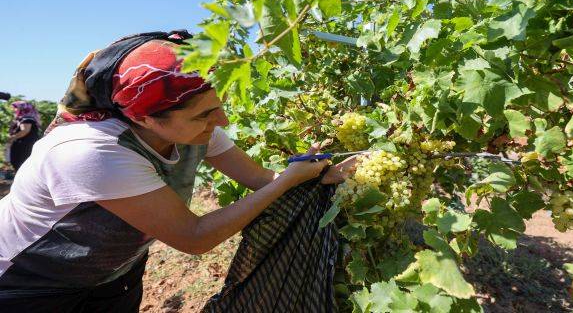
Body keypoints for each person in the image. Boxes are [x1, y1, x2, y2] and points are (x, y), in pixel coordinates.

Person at [0, 31, 357, 313]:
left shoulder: (198, 131)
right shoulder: (92, 152)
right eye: (204, 114)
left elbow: (260, 179)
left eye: (218, 107)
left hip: (111, 274)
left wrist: (316, 175)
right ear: (143, 118)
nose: (222, 122)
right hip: (27, 284)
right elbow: (194, 236)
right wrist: (289, 182)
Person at [6, 101, 41, 171]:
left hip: (23, 148)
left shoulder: (27, 119)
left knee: (21, 166)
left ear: (23, 108)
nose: (14, 109)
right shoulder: (24, 118)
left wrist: (12, 138)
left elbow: (25, 131)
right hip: (23, 147)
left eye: (16, 107)